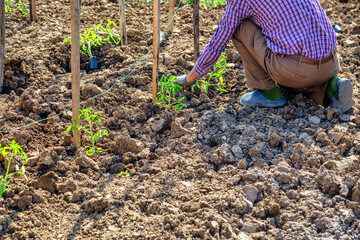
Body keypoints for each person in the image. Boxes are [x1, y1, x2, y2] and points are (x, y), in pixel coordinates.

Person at [174, 0, 355, 112]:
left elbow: (219, 40)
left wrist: (192, 77)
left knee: (239, 26)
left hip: (297, 70)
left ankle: (268, 92)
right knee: (300, 79)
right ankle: (333, 86)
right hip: (331, 61)